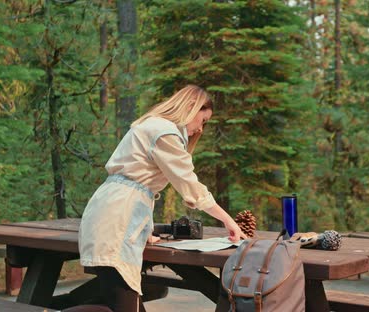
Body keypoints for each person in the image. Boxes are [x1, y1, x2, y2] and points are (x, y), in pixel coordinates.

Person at [78, 85, 247, 312]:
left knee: (120, 302)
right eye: (203, 120)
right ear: (190, 107)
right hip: (116, 221)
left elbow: (137, 185)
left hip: (109, 213)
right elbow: (190, 185)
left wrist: (145, 229)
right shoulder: (165, 133)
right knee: (121, 306)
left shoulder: (152, 126)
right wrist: (228, 220)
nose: (200, 129)